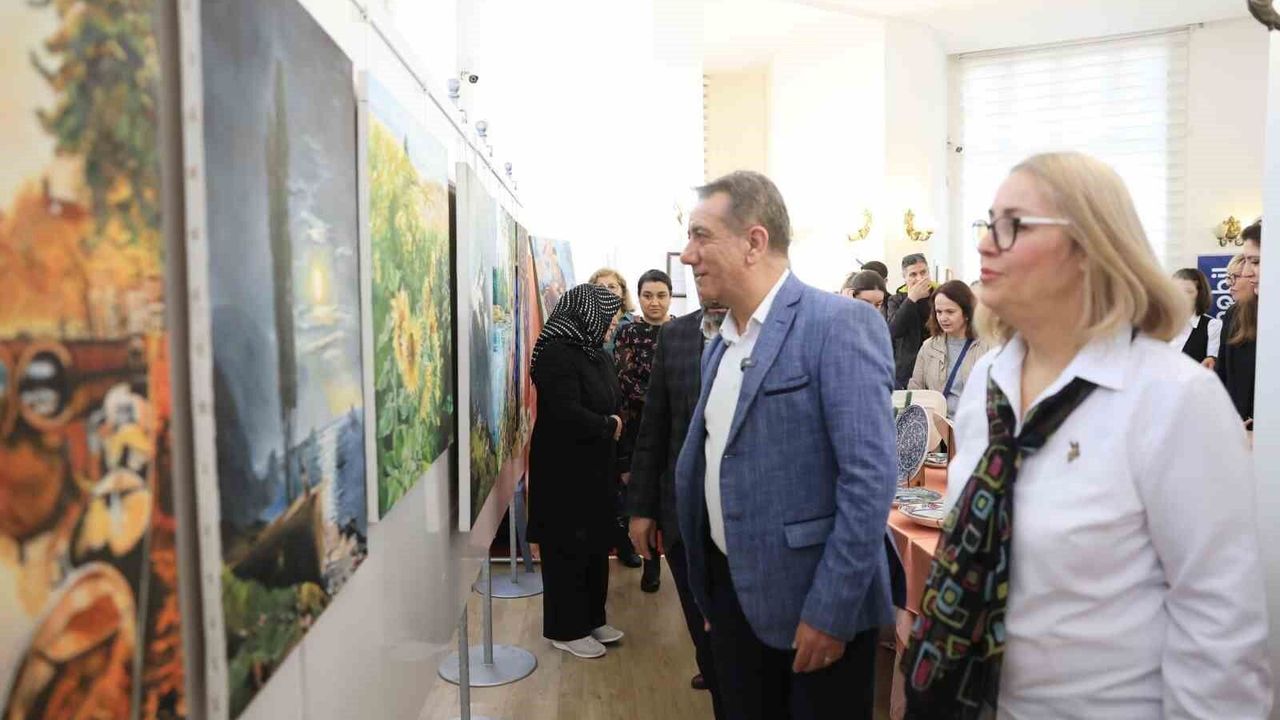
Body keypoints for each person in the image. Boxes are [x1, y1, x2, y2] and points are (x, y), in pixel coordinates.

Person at [903, 152, 1270, 718]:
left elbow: (1220, 630)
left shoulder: (1173, 398)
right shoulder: (990, 380)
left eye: (1012, 225)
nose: (984, 244)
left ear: (1087, 248)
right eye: (986, 224)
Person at [675, 170, 897, 720]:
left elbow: (869, 480)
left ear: (754, 242)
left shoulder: (839, 324)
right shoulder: (720, 344)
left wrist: (831, 611)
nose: (687, 254)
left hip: (814, 612)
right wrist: (711, 594)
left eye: (701, 236)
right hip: (733, 603)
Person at [627, 302, 729, 716]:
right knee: (701, 627)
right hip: (683, 512)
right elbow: (655, 425)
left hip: (745, 522)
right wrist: (641, 508)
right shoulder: (676, 335)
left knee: (741, 650)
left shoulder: (774, 329)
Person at [527, 284, 628, 660]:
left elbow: (611, 397)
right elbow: (564, 412)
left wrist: (611, 423)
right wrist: (608, 425)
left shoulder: (594, 352)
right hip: (563, 470)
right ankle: (566, 629)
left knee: (594, 544)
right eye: (608, 316)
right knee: (566, 548)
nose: (612, 323)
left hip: (595, 466)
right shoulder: (555, 352)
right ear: (586, 314)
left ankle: (591, 618)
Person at [615, 268, 675, 592]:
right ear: (638, 297)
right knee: (642, 496)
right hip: (638, 426)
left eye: (661, 295)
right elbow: (626, 379)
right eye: (647, 295)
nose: (654, 302)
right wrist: (661, 400)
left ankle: (675, 563)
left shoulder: (681, 331)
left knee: (673, 495)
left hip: (676, 427)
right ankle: (649, 564)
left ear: (670, 297)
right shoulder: (628, 332)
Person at [907, 279, 992, 416]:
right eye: (939, 312)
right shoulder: (929, 347)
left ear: (966, 313)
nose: (943, 318)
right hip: (936, 424)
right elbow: (916, 390)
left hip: (972, 424)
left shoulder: (987, 346)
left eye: (950, 312)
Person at [1219, 248, 1259, 427]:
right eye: (1228, 277)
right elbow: (1222, 368)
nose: (1230, 284)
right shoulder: (1232, 313)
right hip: (1235, 417)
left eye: (1235, 277)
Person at [886, 253, 936, 389]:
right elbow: (894, 331)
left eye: (923, 272)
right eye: (913, 275)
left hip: (935, 364)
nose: (919, 278)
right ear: (905, 277)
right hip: (906, 370)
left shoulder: (939, 295)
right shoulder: (896, 300)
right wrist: (911, 299)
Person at [1169, 268, 1222, 368]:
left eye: (1187, 291)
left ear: (1200, 294)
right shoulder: (1162, 324)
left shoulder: (1212, 326)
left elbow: (1211, 364)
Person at [590, 267, 635, 358]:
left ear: (623, 293)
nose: (607, 291)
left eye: (612, 287)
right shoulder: (587, 325)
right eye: (601, 287)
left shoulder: (635, 323)